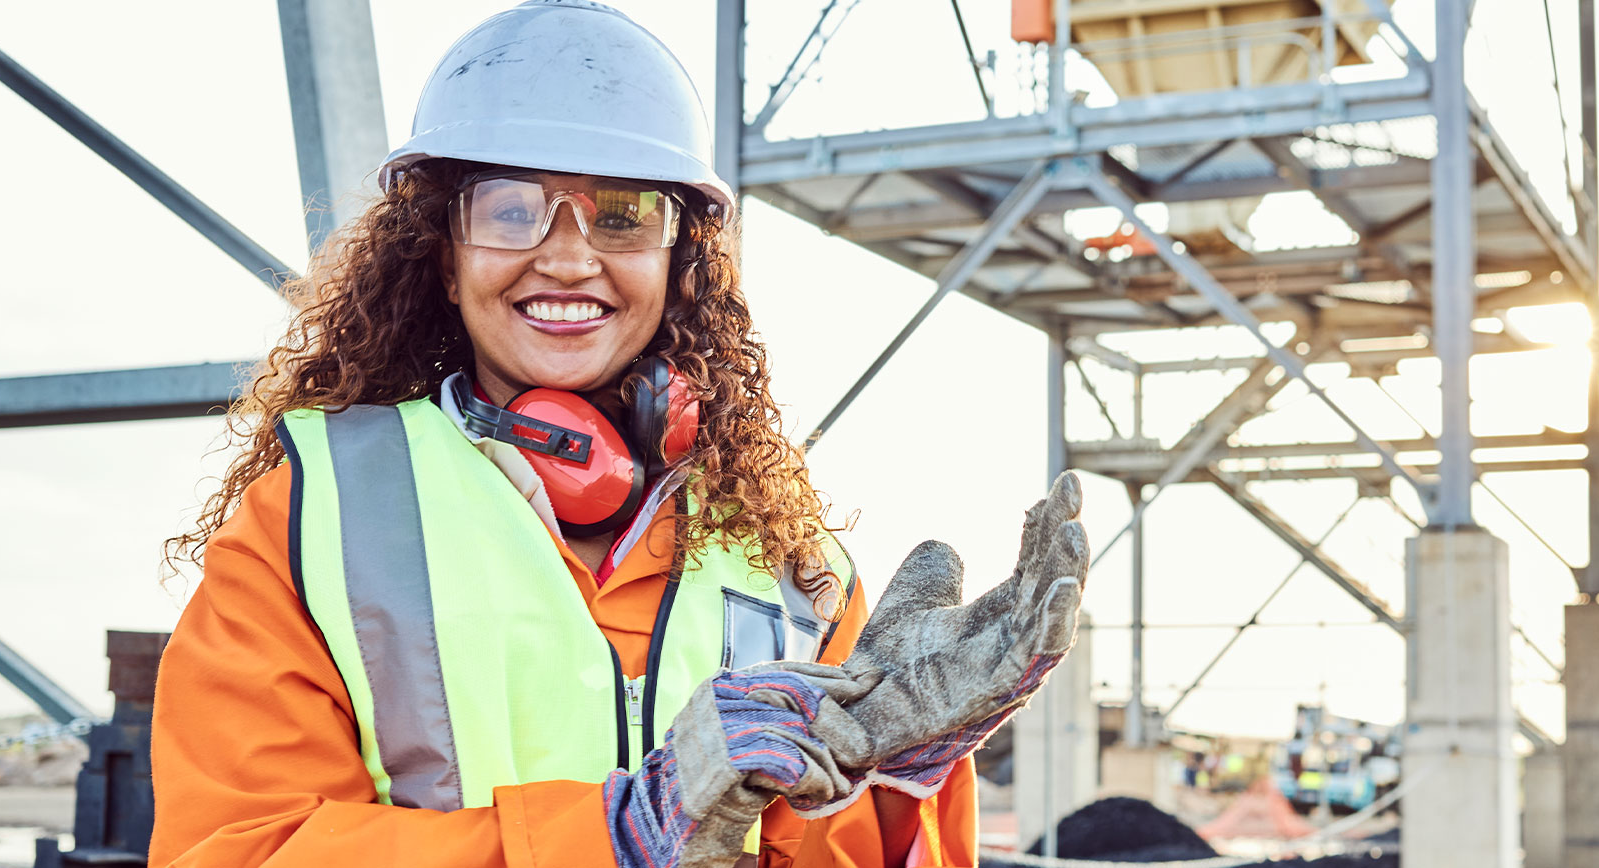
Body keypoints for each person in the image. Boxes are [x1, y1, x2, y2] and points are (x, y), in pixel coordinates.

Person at [149, 3, 1089, 866]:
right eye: (510, 208)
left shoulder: (788, 563)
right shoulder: (318, 522)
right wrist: (615, 838)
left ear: (682, 264)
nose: (566, 255)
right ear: (442, 254)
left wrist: (902, 771)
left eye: (623, 214)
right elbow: (235, 848)